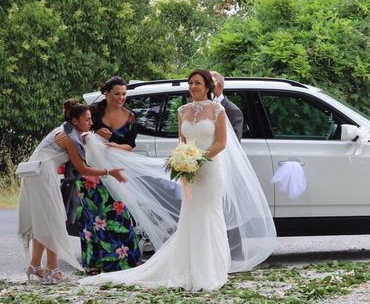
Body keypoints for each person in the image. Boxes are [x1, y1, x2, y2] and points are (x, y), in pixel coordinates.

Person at [80, 69, 277, 291]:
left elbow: (221, 143)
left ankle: (212, 270)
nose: (193, 87)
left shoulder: (217, 110)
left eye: (198, 83)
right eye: (191, 83)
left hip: (210, 170)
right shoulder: (182, 110)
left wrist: (198, 160)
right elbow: (182, 142)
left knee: (210, 215)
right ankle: (190, 268)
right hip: (189, 171)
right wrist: (182, 162)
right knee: (191, 216)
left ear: (207, 87)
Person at [17, 99, 127, 284]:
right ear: (75, 121)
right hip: (42, 174)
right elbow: (83, 169)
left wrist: (90, 134)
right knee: (53, 219)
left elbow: (81, 138)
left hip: (36, 173)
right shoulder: (67, 136)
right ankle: (53, 270)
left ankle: (35, 265)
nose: (91, 123)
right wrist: (111, 172)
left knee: (45, 220)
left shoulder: (67, 129)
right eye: (87, 120)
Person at [77, 76, 141, 274]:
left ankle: (124, 261)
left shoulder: (130, 117)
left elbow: (130, 145)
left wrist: (114, 145)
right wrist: (97, 137)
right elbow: (78, 137)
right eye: (117, 94)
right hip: (92, 175)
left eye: (124, 94)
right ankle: (95, 263)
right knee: (94, 218)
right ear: (106, 93)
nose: (121, 97)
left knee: (121, 215)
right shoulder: (93, 113)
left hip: (118, 172)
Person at [211, 71, 243, 141]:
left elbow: (235, 141)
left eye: (208, 84)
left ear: (218, 87)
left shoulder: (232, 110)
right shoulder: (202, 107)